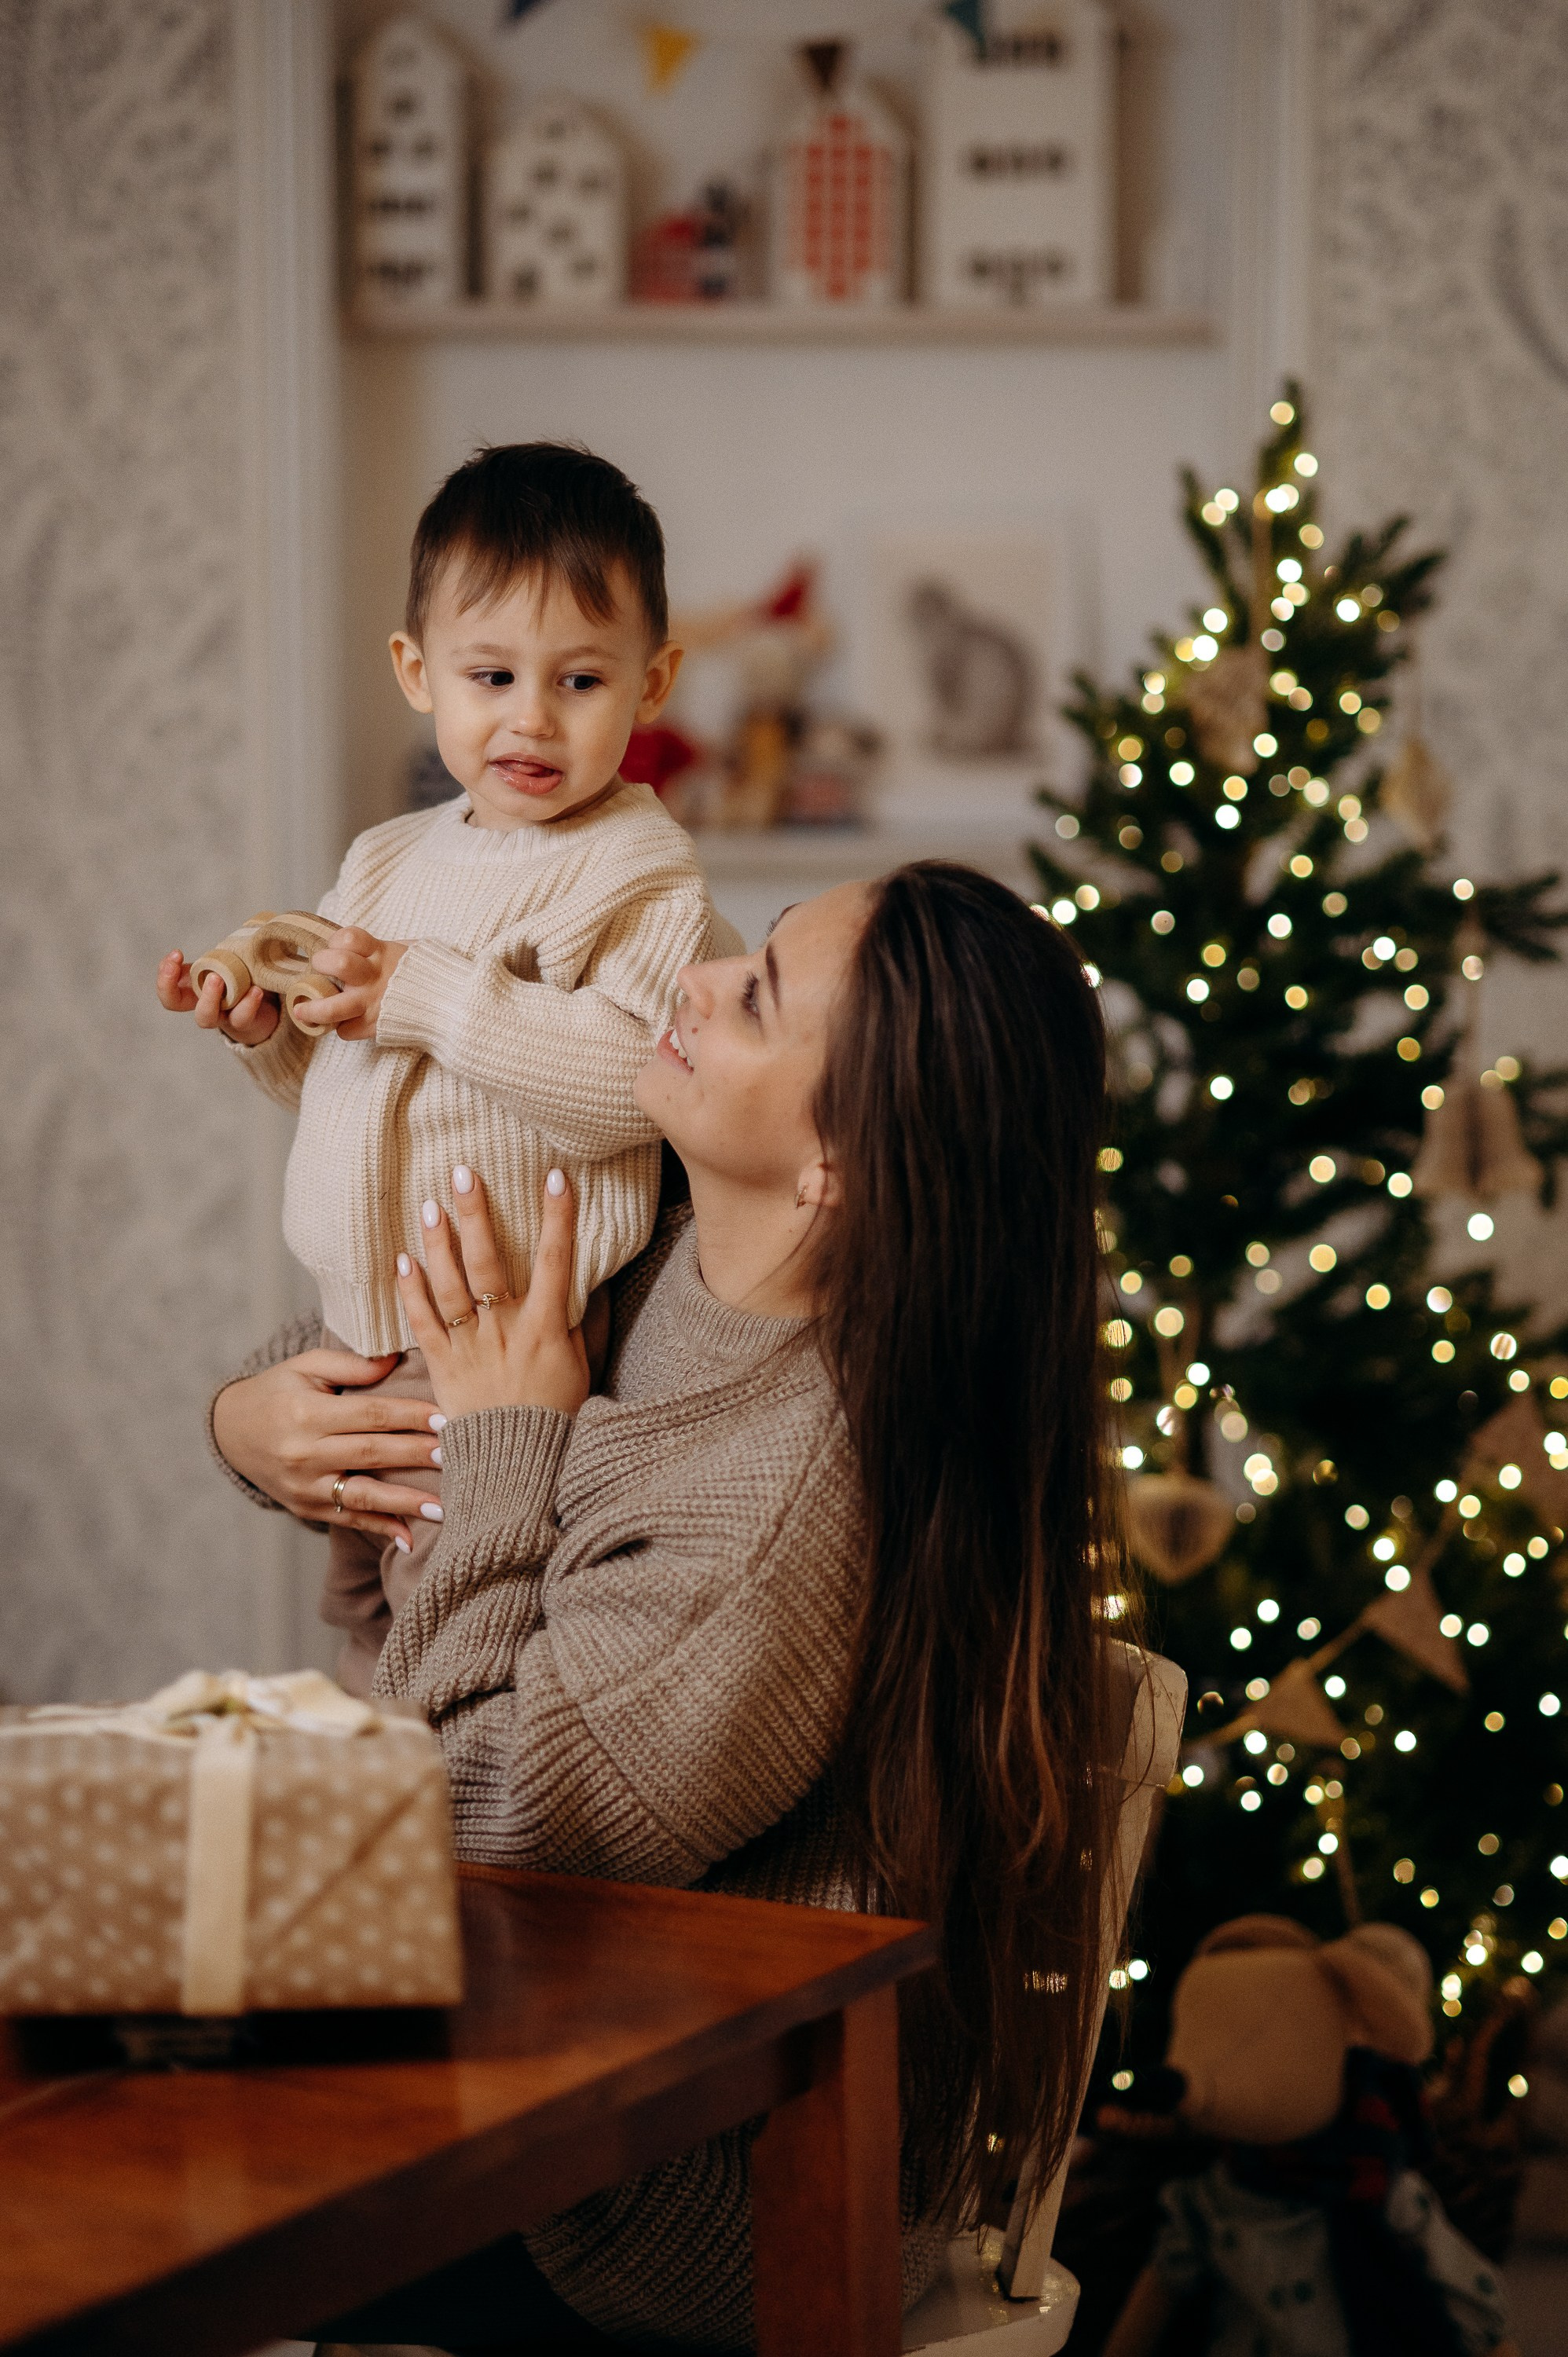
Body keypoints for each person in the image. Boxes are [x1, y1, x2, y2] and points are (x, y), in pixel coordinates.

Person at [211, 864, 1123, 2354]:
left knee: (134, 2192)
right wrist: (253, 1423)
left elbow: (480, 1831)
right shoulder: (666, 1236)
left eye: (756, 996)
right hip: (524, 2045)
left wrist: (505, 1449)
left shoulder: (788, 1499)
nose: (692, 983)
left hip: (656, 2201)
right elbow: (413, 1336)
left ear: (843, 1162)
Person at [162, 442, 738, 1695]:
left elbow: (624, 1077)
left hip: (502, 1342)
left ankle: (452, 1873)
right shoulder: (384, 860)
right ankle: (383, 1855)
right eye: (491, 675)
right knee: (367, 1650)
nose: (531, 718)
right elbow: (348, 1070)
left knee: (452, 1669)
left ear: (653, 685)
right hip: (360, 1330)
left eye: (580, 679)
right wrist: (272, 1031)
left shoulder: (638, 870)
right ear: (418, 675)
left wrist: (422, 988)